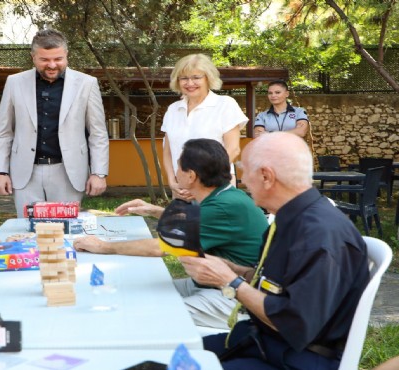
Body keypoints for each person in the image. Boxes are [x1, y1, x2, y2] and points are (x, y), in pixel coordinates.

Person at [180, 132, 369, 370]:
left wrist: (230, 282)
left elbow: (294, 322)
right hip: (262, 342)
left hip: (296, 359)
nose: (243, 180)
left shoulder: (320, 234)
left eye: (244, 170)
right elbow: (280, 286)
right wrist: (236, 270)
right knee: (165, 354)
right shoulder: (292, 218)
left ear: (266, 176)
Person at [74, 138, 268, 328]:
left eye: (178, 167)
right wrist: (154, 210)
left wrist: (104, 246)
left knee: (148, 315)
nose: (175, 173)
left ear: (191, 176)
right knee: (134, 294)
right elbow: (194, 221)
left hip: (236, 297)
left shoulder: (223, 207)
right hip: (215, 285)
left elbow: (159, 248)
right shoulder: (225, 195)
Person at [0, 28, 109, 217]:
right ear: (33, 57)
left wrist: (99, 173)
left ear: (66, 55)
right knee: (29, 232)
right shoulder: (14, 82)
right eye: (45, 60)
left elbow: (98, 133)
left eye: (58, 59)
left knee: (66, 232)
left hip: (68, 173)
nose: (52, 65)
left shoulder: (87, 84)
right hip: (24, 174)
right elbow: (4, 131)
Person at [162, 53, 248, 200]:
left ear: (208, 78)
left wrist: (201, 185)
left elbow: (232, 149)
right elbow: (167, 151)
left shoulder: (225, 104)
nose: (190, 83)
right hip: (182, 190)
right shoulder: (173, 109)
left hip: (215, 188)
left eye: (196, 77)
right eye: (184, 78)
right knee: (183, 223)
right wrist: (172, 181)